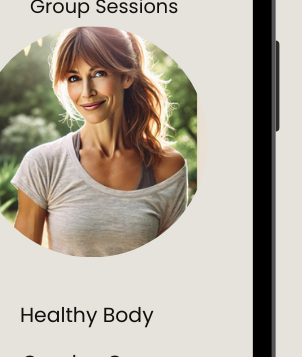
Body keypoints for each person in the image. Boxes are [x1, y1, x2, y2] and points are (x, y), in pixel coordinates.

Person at [12, 27, 188, 257]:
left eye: (98, 74)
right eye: (74, 78)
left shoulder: (167, 168)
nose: (86, 92)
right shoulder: (43, 163)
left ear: (127, 76)